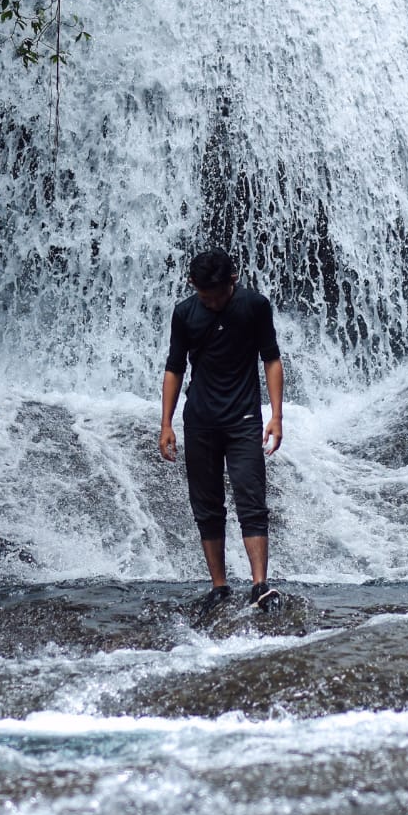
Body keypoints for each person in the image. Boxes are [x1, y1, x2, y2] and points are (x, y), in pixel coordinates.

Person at [158, 248, 284, 615]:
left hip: (243, 418)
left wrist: (276, 416)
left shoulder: (254, 306)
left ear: (233, 280)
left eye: (218, 294)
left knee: (251, 499)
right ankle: (219, 587)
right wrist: (166, 423)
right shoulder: (185, 313)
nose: (211, 302)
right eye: (204, 295)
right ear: (192, 286)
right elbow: (174, 368)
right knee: (207, 506)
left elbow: (271, 358)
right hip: (199, 419)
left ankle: (259, 584)